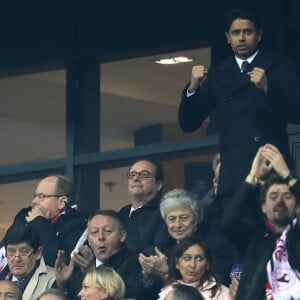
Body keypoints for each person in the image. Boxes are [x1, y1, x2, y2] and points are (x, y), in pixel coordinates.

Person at [178, 7, 300, 197]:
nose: (241, 38)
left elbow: (296, 112)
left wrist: (268, 89)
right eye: (236, 33)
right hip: (233, 172)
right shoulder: (218, 74)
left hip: (270, 168)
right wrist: (192, 88)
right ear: (228, 37)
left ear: (259, 34)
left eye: (247, 32)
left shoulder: (280, 65)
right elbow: (188, 123)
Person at [221, 144, 300, 299]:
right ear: (263, 207)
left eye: (287, 196)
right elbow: (228, 221)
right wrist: (253, 177)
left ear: (297, 206)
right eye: (273, 196)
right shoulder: (256, 239)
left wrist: (288, 175)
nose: (280, 201)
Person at [55, 209, 160, 300]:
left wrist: (92, 272)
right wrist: (62, 284)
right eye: (94, 232)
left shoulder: (136, 262)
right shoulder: (80, 265)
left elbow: (132, 295)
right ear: (89, 240)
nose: (101, 237)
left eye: (107, 231)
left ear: (122, 236)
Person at [139, 188, 233, 286]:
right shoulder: (163, 245)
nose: (178, 225)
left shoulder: (215, 245)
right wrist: (147, 276)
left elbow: (212, 289)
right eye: (172, 219)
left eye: (184, 218)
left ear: (196, 219)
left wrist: (166, 272)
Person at [0, 174, 87, 267]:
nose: (34, 201)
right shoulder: (25, 216)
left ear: (62, 202)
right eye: (35, 196)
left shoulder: (77, 224)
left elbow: (59, 263)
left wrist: (39, 222)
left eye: (41, 196)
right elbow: (4, 250)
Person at [119, 160, 171, 255]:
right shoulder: (123, 212)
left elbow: (157, 248)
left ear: (158, 185)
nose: (135, 178)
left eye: (144, 175)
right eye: (132, 174)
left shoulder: (165, 211)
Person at [158, 237, 231, 300]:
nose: (192, 265)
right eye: (187, 258)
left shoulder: (222, 294)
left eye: (199, 259)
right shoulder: (168, 290)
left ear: (207, 264)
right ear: (177, 263)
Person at [1, 225, 56, 300]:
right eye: (12, 251)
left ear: (38, 253)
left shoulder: (53, 280)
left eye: (24, 251)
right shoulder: (2, 276)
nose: (17, 259)